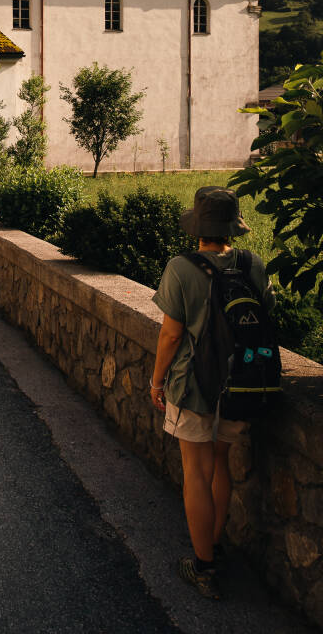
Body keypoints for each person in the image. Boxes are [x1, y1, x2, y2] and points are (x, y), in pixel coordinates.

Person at [150, 186, 275, 601]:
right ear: (232, 227)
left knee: (196, 473)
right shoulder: (253, 265)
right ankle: (215, 544)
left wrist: (156, 382)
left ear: (198, 227)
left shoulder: (181, 268)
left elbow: (170, 336)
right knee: (220, 463)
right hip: (241, 383)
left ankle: (203, 567)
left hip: (194, 385)